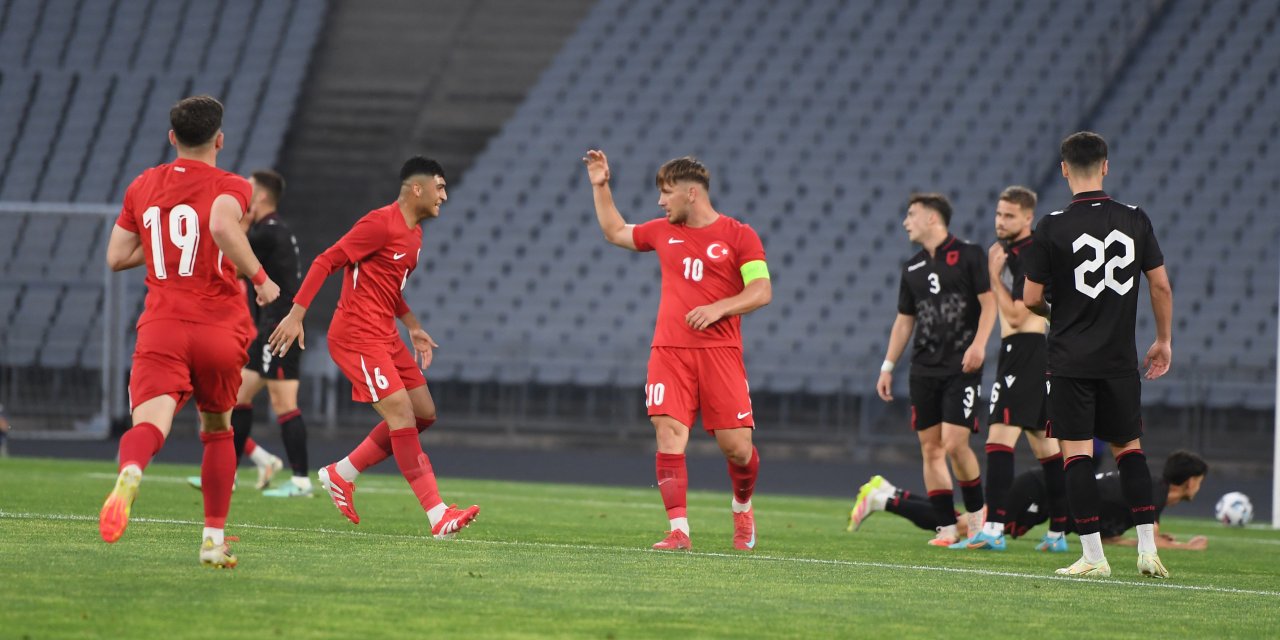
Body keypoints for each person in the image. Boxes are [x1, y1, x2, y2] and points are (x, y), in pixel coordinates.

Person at [98, 95, 281, 568]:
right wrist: (260, 280)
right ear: (219, 140)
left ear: (172, 137)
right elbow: (221, 224)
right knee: (218, 430)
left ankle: (132, 471)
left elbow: (116, 256)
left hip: (163, 325)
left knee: (149, 425)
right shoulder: (231, 184)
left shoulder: (144, 184)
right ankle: (212, 541)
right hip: (219, 328)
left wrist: (160, 241)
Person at [267, 156, 479, 540]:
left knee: (423, 413)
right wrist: (297, 314)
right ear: (418, 188)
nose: (444, 196)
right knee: (400, 413)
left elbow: (388, 290)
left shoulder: (414, 237)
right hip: (356, 335)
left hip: (385, 334)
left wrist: (413, 327)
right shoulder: (379, 223)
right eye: (440, 187)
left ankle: (341, 473)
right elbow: (326, 260)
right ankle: (437, 515)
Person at [583, 150, 771, 551]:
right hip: (669, 350)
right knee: (668, 434)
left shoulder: (740, 235)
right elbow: (615, 231)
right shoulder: (661, 232)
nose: (660, 202)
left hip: (720, 352)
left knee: (737, 449)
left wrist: (720, 307)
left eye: (666, 193)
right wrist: (600, 186)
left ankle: (742, 507)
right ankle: (679, 531)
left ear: (691, 194)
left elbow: (761, 290)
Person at [1022, 131, 1175, 578]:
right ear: (1106, 166)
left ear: (1064, 169)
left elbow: (1031, 298)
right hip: (1118, 361)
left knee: (1077, 456)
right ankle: (1148, 550)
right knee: (1130, 450)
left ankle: (1093, 558)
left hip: (1070, 360)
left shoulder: (1050, 226)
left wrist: (1057, 313)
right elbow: (1161, 284)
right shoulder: (1135, 218)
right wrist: (1163, 340)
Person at [873, 194, 996, 547]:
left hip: (962, 365)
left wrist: (979, 345)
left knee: (955, 443)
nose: (905, 222)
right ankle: (945, 526)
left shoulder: (970, 255)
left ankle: (975, 521)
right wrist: (887, 366)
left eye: (911, 215)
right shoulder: (911, 267)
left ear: (932, 218)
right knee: (930, 448)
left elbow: (989, 306)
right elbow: (904, 321)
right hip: (923, 369)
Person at [185, 170, 309, 496]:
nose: (244, 193)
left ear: (263, 197)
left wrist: (235, 224)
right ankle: (228, 474)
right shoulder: (274, 230)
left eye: (250, 189)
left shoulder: (267, 232)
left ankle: (300, 481)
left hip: (279, 328)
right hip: (271, 326)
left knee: (284, 402)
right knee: (239, 398)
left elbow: (233, 263)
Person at [961, 186, 1068, 552]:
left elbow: (1018, 314)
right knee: (1046, 448)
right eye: (998, 214)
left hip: (1026, 351)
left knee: (998, 441)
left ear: (1027, 218)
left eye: (1008, 216)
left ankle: (993, 528)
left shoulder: (1028, 255)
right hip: (1029, 352)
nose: (1000, 221)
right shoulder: (1015, 252)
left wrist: (992, 274)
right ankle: (1059, 533)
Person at [849, 450, 1208, 551]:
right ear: (1190, 481)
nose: (1199, 488)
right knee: (964, 527)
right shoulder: (1153, 493)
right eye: (1200, 482)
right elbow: (1153, 543)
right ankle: (885, 499)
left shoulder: (1147, 487)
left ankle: (889, 495)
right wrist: (1188, 548)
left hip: (1044, 495)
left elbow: (1114, 537)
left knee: (964, 523)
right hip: (1039, 492)